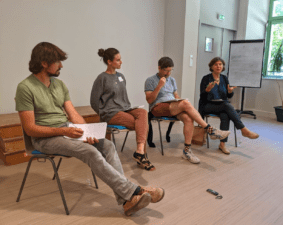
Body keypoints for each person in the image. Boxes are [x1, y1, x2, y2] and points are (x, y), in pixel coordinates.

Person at [15, 42, 164, 216]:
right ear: (44, 63)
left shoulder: (59, 85)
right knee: (90, 152)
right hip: (45, 139)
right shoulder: (25, 88)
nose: (61, 65)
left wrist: (86, 132)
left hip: (66, 130)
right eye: (57, 62)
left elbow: (73, 114)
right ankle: (135, 191)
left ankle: (126, 200)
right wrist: (64, 131)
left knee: (107, 145)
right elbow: (31, 129)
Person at [144, 57, 230, 164]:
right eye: (166, 70)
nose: (168, 73)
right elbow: (149, 100)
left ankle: (187, 151)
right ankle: (209, 129)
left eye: (170, 70)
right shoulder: (150, 80)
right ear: (159, 68)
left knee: (188, 118)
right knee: (186, 103)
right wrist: (159, 86)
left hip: (172, 106)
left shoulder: (172, 80)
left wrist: (179, 101)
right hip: (157, 108)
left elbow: (175, 95)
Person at [90, 48, 155, 171]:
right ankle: (143, 158)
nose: (121, 62)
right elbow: (93, 101)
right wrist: (103, 114)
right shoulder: (101, 78)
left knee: (143, 113)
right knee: (142, 125)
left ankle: (139, 151)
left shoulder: (121, 76)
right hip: (111, 113)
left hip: (125, 109)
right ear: (109, 62)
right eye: (118, 60)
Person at [199, 57, 259, 154]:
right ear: (211, 67)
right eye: (216, 64)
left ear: (223, 67)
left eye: (220, 64)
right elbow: (202, 97)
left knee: (225, 114)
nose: (218, 66)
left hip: (221, 105)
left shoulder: (224, 78)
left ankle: (222, 144)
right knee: (226, 106)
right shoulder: (206, 78)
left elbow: (228, 96)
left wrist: (230, 92)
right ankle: (243, 129)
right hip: (207, 105)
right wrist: (207, 90)